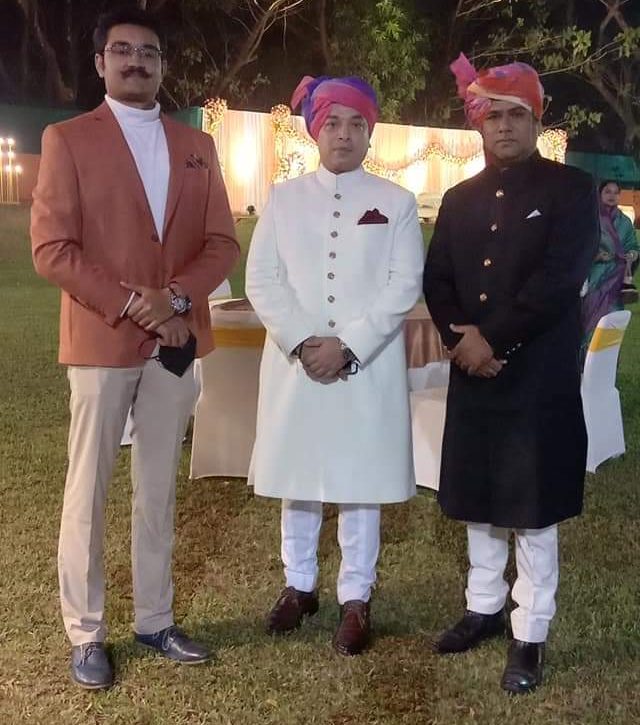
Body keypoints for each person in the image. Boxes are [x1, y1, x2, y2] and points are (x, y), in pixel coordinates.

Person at [30, 7, 239, 689]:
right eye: (122, 50)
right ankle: (86, 631)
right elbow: (52, 249)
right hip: (101, 339)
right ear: (100, 63)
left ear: (162, 65)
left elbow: (221, 243)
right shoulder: (67, 139)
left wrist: (173, 298)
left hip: (174, 343)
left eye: (148, 52)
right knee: (87, 488)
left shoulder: (196, 145)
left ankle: (156, 618)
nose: (136, 61)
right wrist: (132, 303)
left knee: (158, 488)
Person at [423, 53, 599, 694]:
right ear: (479, 124)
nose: (503, 126)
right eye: (492, 115)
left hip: (537, 376)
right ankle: (483, 607)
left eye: (516, 115)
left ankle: (530, 631)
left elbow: (560, 280)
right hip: (475, 372)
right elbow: (438, 278)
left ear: (537, 121)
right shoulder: (459, 198)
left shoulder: (571, 190)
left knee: (532, 507)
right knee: (479, 497)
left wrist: (491, 339)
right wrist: (460, 339)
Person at [245, 75, 424, 656]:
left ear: (370, 133)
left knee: (359, 482)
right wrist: (302, 342)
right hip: (296, 366)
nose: (343, 134)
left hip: (364, 366)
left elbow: (404, 284)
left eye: (356, 124)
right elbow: (261, 280)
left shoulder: (396, 202)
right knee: (298, 477)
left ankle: (355, 595)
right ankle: (299, 585)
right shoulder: (283, 198)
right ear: (315, 132)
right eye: (333, 123)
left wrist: (347, 346)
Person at [581, 179, 639, 356]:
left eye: (615, 192)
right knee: (590, 319)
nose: (612, 196)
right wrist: (596, 255)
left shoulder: (624, 221)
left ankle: (608, 360)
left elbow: (633, 245)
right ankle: (585, 361)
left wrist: (632, 254)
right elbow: (580, 245)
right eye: (607, 192)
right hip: (595, 276)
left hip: (617, 279)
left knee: (612, 320)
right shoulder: (590, 218)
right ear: (600, 194)